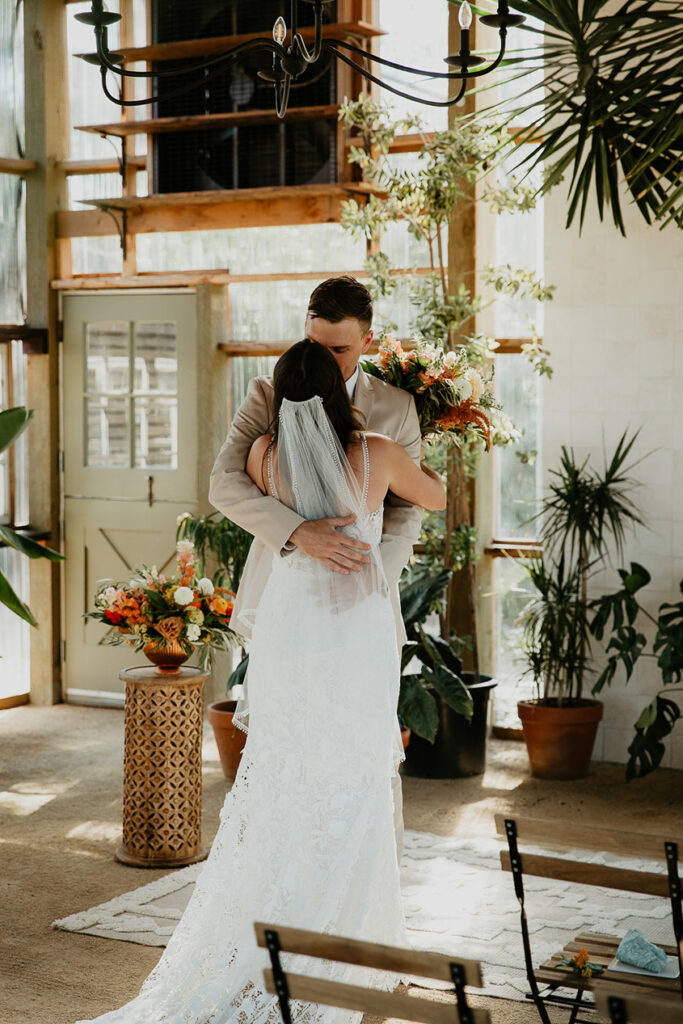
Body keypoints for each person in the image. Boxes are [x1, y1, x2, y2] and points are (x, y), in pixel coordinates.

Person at [72, 340, 445, 1024]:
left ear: (279, 394)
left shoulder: (260, 455)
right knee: (355, 770)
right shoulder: (375, 453)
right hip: (352, 624)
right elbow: (435, 496)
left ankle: (285, 914)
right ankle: (349, 935)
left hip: (291, 623)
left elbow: (259, 505)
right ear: (340, 390)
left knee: (287, 768)